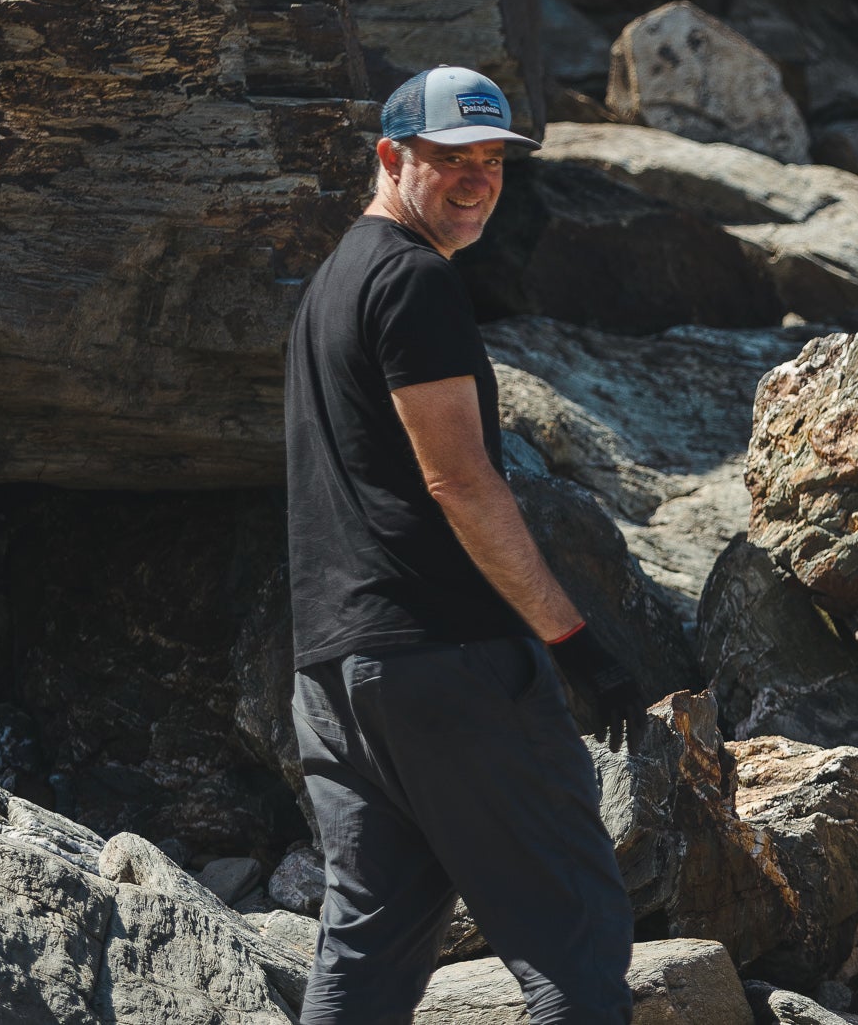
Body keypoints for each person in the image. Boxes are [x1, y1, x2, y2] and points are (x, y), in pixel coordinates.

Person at [285, 65, 646, 1023]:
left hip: (337, 674)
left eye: (492, 161)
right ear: (391, 157)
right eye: (451, 159)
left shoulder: (335, 281)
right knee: (571, 938)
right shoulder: (413, 281)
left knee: (367, 949)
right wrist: (572, 642)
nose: (477, 180)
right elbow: (460, 478)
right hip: (446, 662)